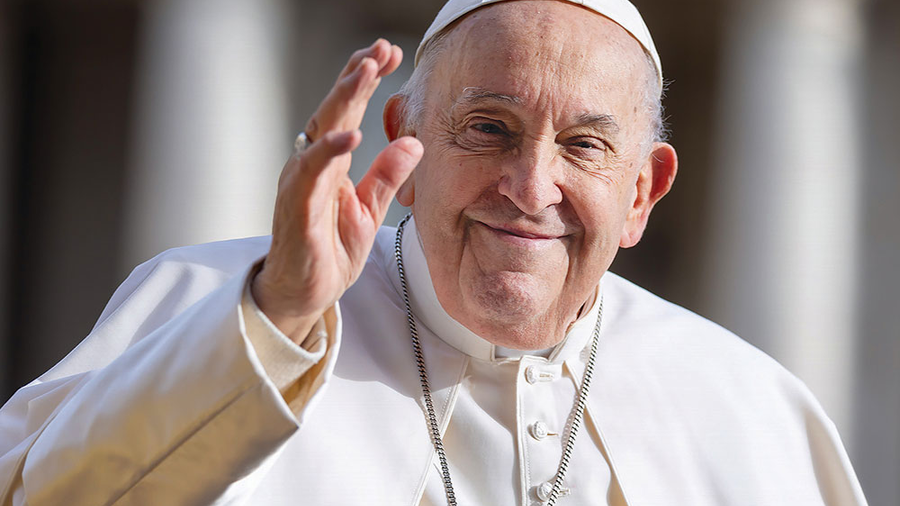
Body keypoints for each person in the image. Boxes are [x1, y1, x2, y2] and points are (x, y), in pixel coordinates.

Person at [0, 0, 868, 504]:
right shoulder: (214, 303)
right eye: (488, 128)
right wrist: (278, 322)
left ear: (642, 192)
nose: (531, 187)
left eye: (585, 147)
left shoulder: (754, 409)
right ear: (403, 142)